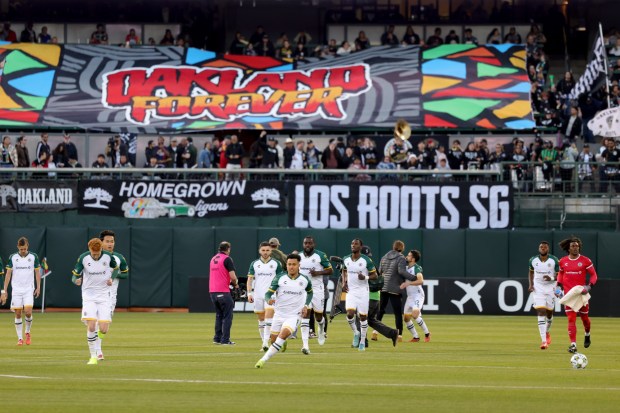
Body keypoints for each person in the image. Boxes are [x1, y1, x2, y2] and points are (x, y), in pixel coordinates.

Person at [255, 253, 312, 368]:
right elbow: (268, 293)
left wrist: (306, 305)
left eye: (294, 264)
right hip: (279, 314)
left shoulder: (304, 280)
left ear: (298, 265)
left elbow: (310, 292)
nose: (291, 267)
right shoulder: (279, 278)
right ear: (286, 265)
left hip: (294, 316)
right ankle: (283, 341)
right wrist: (268, 299)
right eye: (289, 264)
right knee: (274, 341)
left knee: (283, 334)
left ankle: (262, 360)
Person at [71, 238, 119, 365]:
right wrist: (76, 280)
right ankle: (93, 356)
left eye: (97, 253)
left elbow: (116, 269)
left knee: (103, 329)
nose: (95, 256)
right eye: (93, 253)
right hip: (89, 296)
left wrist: (111, 279)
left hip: (104, 296)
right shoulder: (83, 258)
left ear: (101, 249)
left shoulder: (108, 257)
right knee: (91, 325)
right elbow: (74, 275)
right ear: (89, 249)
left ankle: (97, 347)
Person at [557, 237, 598, 354]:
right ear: (568, 249)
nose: (576, 248)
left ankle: (587, 334)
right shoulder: (562, 261)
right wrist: (558, 287)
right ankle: (573, 344)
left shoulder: (585, 260)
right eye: (573, 246)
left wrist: (589, 286)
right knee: (571, 319)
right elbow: (560, 274)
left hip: (581, 294)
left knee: (585, 320)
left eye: (577, 246)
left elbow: (594, 275)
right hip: (569, 295)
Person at [1, 237, 41, 346]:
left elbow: (37, 272)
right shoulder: (13, 257)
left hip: (28, 288)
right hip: (16, 290)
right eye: (21, 249)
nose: (23, 250)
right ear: (18, 247)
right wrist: (4, 290)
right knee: (18, 314)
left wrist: (38, 287)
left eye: (24, 248)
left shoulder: (34, 257)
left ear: (27, 246)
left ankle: (27, 332)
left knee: (28, 312)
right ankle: (20, 338)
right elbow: (8, 274)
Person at [95, 230, 129, 359]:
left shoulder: (119, 258)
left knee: (104, 328)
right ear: (101, 242)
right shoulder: (94, 256)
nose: (110, 244)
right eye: (107, 241)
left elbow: (125, 273)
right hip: (95, 294)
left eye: (112, 241)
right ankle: (97, 350)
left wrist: (114, 276)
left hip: (110, 296)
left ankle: (96, 344)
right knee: (95, 323)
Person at [375, 240, 417, 342]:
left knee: (381, 311)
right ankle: (399, 335)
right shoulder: (401, 258)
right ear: (402, 248)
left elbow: (380, 272)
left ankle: (375, 332)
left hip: (384, 287)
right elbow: (401, 271)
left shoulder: (384, 257)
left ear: (393, 247)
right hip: (395, 288)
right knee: (397, 313)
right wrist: (413, 277)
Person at [298, 236, 333, 353]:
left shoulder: (320, 255)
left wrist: (318, 272)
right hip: (303, 291)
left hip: (317, 290)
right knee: (305, 315)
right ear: (303, 244)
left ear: (314, 244)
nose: (307, 245)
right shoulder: (299, 256)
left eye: (309, 243)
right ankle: (305, 345)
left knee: (319, 317)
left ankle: (321, 328)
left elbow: (330, 270)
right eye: (305, 243)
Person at [342, 238, 377, 351]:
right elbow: (344, 270)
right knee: (350, 314)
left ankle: (362, 341)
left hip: (363, 292)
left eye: (356, 244)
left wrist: (365, 277)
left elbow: (375, 275)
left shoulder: (366, 260)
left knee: (363, 317)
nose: (353, 245)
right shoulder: (346, 259)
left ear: (360, 247)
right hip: (351, 291)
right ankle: (356, 333)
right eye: (352, 243)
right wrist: (344, 282)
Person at [247, 241, 282, 351]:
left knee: (268, 319)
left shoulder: (276, 263)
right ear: (259, 251)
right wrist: (249, 293)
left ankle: (266, 343)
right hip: (258, 295)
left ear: (271, 251)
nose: (265, 252)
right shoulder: (254, 263)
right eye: (263, 250)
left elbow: (281, 280)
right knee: (261, 320)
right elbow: (250, 279)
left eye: (267, 250)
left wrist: (279, 294)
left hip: (271, 295)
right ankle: (264, 342)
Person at [361, 246, 398, 347]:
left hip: (369, 297)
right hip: (376, 297)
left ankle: (363, 341)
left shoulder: (363, 265)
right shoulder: (371, 264)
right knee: (371, 321)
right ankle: (392, 333)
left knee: (361, 318)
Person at [528, 241, 560, 350]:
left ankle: (547, 331)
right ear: (539, 248)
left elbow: (560, 275)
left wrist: (551, 278)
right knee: (541, 310)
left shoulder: (554, 260)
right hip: (538, 288)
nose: (543, 248)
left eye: (545, 247)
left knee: (549, 313)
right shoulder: (533, 260)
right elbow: (531, 272)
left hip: (551, 287)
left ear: (548, 249)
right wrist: (531, 285)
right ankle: (544, 341)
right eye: (541, 247)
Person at [209, 241, 239, 345]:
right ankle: (225, 340)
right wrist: (236, 284)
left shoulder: (213, 258)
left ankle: (217, 338)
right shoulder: (227, 259)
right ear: (228, 249)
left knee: (219, 315)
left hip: (212, 292)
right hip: (223, 291)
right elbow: (233, 277)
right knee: (227, 316)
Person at [401, 250, 431, 343]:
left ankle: (427, 333)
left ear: (413, 259)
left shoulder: (416, 268)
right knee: (406, 318)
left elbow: (421, 281)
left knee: (414, 315)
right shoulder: (405, 267)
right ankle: (416, 337)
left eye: (409, 255)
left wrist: (408, 283)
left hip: (418, 295)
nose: (407, 256)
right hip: (410, 296)